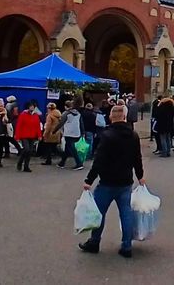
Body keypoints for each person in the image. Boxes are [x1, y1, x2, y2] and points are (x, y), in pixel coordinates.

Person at [79, 105, 145, 258]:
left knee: (98, 213)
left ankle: (94, 242)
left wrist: (89, 179)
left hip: (107, 182)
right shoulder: (133, 135)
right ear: (124, 117)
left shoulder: (107, 135)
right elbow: (137, 158)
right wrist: (140, 176)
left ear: (111, 117)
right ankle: (127, 246)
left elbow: (99, 160)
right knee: (126, 214)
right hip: (126, 181)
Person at [56, 100, 85, 170]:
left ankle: (79, 163)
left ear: (66, 107)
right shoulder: (78, 113)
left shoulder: (66, 113)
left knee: (72, 148)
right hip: (76, 133)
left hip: (69, 133)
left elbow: (60, 123)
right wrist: (83, 132)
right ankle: (62, 163)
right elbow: (81, 123)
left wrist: (54, 131)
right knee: (67, 148)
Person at [14, 102, 42, 172]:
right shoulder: (23, 115)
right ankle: (20, 162)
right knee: (26, 149)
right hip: (24, 135)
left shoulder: (36, 116)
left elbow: (37, 126)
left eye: (33, 106)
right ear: (28, 107)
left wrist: (39, 135)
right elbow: (19, 126)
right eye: (31, 106)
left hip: (32, 135)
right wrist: (17, 136)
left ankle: (26, 166)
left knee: (30, 151)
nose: (32, 108)